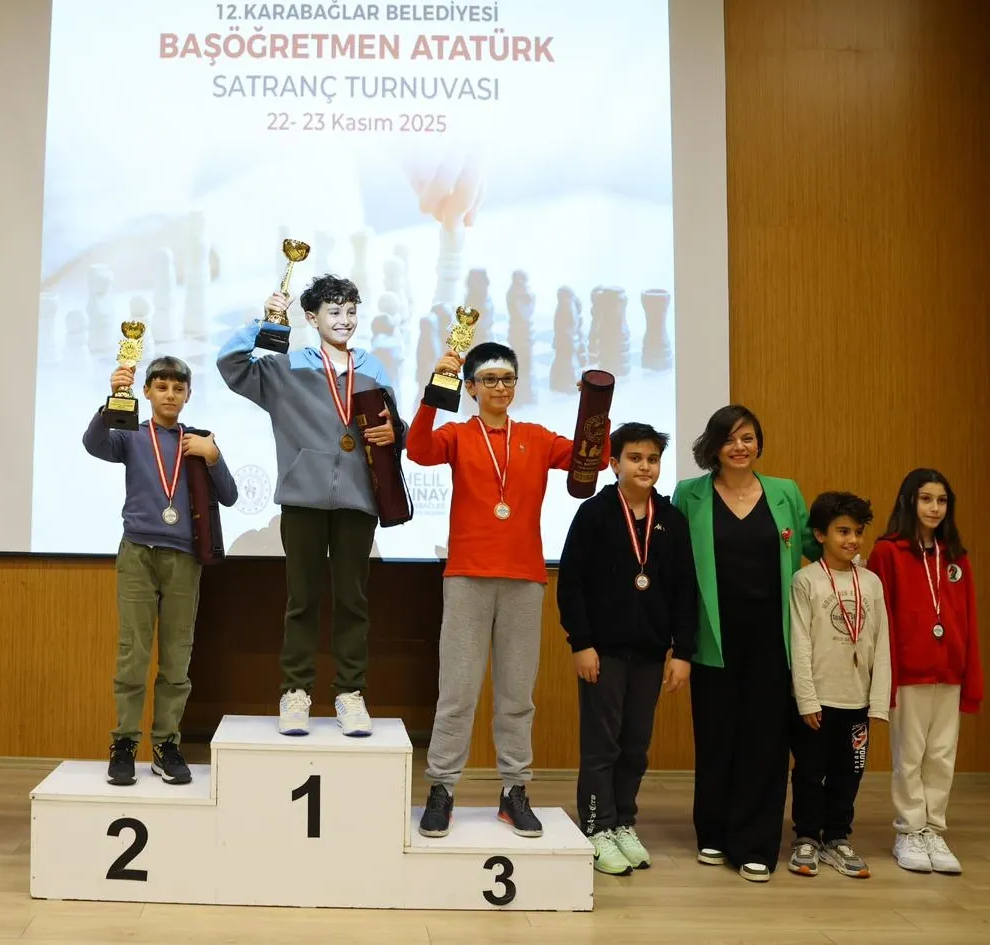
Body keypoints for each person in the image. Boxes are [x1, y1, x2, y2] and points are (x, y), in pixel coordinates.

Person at [406, 342, 598, 838]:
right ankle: (442, 788)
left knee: (517, 695)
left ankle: (514, 791)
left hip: (524, 580)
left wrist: (592, 406)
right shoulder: (457, 435)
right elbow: (418, 449)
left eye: (507, 379)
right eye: (489, 379)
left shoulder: (536, 437)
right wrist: (436, 388)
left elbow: (592, 458)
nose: (499, 387)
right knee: (458, 692)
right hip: (467, 577)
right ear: (471, 387)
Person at [218, 274, 403, 737]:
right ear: (311, 318)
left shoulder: (373, 368)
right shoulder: (287, 368)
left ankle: (350, 692)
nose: (344, 320)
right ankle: (295, 691)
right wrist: (265, 322)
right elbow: (231, 364)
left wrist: (394, 432)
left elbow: (390, 427)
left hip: (358, 502)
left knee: (352, 601)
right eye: (333, 312)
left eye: (351, 311)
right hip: (302, 499)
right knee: (302, 600)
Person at [672, 405, 814, 882]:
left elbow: (812, 551)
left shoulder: (784, 492)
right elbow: (677, 570)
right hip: (713, 639)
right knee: (716, 737)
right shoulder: (688, 494)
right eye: (730, 438)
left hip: (773, 640)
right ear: (713, 446)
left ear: (759, 444)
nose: (740, 447)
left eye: (748, 438)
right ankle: (713, 833)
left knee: (767, 742)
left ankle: (755, 843)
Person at [84, 356, 238, 785]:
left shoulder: (198, 441)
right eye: (162, 387)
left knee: (176, 655)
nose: (170, 395)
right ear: (148, 392)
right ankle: (124, 743)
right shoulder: (132, 434)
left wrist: (213, 455)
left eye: (178, 388)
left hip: (183, 559)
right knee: (133, 653)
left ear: (188, 395)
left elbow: (229, 495)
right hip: (137, 553)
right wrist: (112, 399)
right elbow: (94, 444)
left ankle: (166, 743)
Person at [556, 422, 696, 874]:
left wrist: (683, 652)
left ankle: (623, 822)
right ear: (614, 463)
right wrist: (582, 644)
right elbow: (571, 584)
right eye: (635, 458)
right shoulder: (594, 514)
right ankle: (597, 827)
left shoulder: (671, 520)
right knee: (602, 745)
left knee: (635, 745)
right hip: (603, 652)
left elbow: (685, 590)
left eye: (653, 459)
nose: (645, 467)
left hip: (651, 654)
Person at [867, 469, 982, 875]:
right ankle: (910, 829)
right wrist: (884, 678)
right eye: (926, 499)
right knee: (910, 755)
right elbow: (879, 619)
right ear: (909, 502)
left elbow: (968, 618)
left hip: (949, 671)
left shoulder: (955, 556)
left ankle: (933, 829)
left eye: (942, 500)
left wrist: (970, 673)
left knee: (942, 755)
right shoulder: (888, 551)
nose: (934, 508)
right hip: (909, 672)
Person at [786, 492, 890, 879]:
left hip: (856, 699)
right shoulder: (806, 580)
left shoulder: (872, 583)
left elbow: (882, 643)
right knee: (810, 772)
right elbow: (800, 642)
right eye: (843, 531)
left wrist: (878, 701)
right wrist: (806, 699)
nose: (852, 540)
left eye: (858, 532)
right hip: (817, 700)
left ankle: (837, 838)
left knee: (850, 772)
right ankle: (806, 838)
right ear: (820, 534)